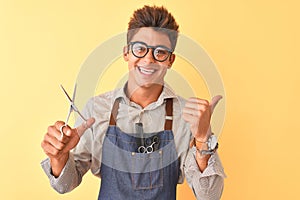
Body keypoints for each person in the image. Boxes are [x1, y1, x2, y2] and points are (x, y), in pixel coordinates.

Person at [41, 5, 225, 200]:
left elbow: (209, 196)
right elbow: (65, 185)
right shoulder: (98, 109)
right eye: (140, 49)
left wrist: (203, 138)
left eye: (160, 52)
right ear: (126, 53)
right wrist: (59, 157)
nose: (148, 60)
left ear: (170, 60)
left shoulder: (190, 117)